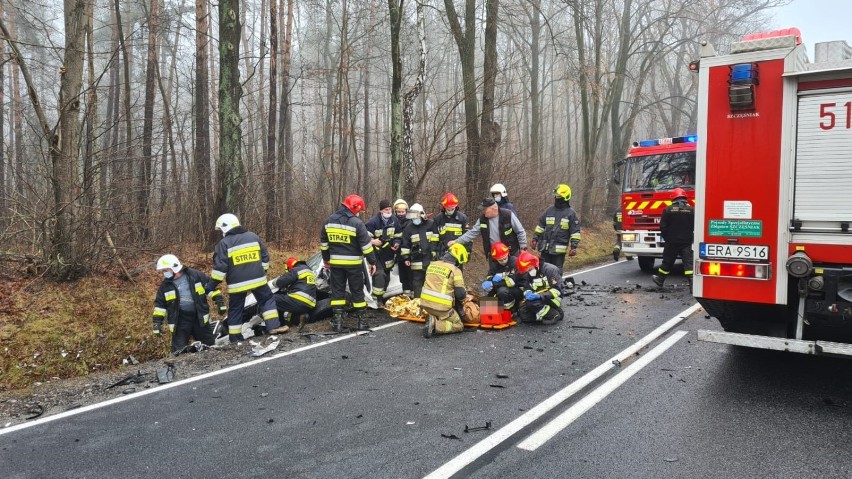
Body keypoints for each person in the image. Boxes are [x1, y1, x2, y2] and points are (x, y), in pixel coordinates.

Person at [207, 214, 287, 343]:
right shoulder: (253, 237)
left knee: (236, 309)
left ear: (225, 227)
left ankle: (235, 337)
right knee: (267, 300)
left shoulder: (224, 243)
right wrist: (263, 271)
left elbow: (220, 268)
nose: (221, 233)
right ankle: (273, 327)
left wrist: (211, 285)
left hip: (237, 285)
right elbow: (265, 256)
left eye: (221, 229)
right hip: (258, 280)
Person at [321, 194, 377, 331]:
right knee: (357, 291)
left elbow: (324, 244)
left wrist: (326, 260)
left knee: (337, 292)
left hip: (336, 265)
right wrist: (372, 262)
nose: (359, 213)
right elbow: (366, 246)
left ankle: (338, 323)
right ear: (354, 207)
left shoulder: (328, 221)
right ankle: (362, 322)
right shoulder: (357, 223)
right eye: (359, 210)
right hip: (353, 265)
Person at [153, 254, 224, 353]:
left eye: (166, 270)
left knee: (210, 348)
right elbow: (160, 306)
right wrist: (157, 323)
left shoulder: (195, 275)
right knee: (178, 352)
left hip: (199, 318)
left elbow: (210, 288)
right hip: (180, 321)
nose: (164, 273)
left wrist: (219, 301)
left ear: (175, 267)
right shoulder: (165, 286)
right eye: (163, 271)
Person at [450, 197, 527, 266]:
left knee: (514, 275)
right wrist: (457, 241)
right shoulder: (482, 219)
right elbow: (472, 233)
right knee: (494, 276)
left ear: (494, 209)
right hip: (493, 254)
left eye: (485, 209)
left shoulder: (508, 215)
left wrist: (523, 248)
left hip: (511, 252)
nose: (483, 211)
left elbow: (520, 231)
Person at [531, 184, 581, 276]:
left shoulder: (571, 214)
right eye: (555, 196)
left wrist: (573, 247)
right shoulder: (549, 210)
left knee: (556, 273)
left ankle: (557, 288)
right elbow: (540, 226)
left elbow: (575, 232)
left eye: (558, 196)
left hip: (558, 252)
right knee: (542, 271)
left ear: (565, 197)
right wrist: (535, 239)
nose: (556, 198)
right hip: (545, 249)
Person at [421, 243, 469, 338]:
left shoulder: (432, 265)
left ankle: (432, 318)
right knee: (458, 325)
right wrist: (465, 295)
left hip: (425, 305)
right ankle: (436, 324)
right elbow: (460, 295)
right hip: (441, 308)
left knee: (440, 314)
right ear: (458, 259)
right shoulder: (455, 271)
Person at [652, 188, 695, 288]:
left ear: (673, 198)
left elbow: (663, 227)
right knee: (688, 263)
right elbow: (694, 225)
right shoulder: (691, 210)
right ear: (684, 197)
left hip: (672, 241)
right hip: (686, 241)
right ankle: (692, 286)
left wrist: (667, 238)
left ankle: (660, 280)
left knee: (667, 261)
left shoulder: (668, 209)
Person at [365, 199, 402, 304]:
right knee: (380, 275)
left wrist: (396, 243)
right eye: (386, 209)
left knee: (386, 278)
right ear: (381, 211)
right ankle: (377, 299)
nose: (389, 211)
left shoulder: (394, 220)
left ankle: (381, 296)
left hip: (389, 253)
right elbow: (363, 237)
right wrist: (372, 241)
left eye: (390, 209)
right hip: (376, 254)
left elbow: (398, 234)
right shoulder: (373, 222)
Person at [400, 203, 440, 297]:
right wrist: (406, 258)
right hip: (416, 260)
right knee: (417, 282)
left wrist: (434, 251)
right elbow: (405, 244)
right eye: (412, 217)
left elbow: (436, 239)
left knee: (431, 282)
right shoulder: (409, 228)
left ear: (422, 214)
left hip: (430, 260)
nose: (414, 219)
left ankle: (430, 304)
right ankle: (418, 304)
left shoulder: (431, 224)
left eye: (416, 216)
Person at [515, 251, 564, 325]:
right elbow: (526, 287)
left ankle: (554, 315)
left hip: (553, 298)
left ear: (534, 263)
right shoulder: (528, 274)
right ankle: (550, 313)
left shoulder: (550, 270)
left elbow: (558, 290)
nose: (528, 272)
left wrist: (539, 296)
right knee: (524, 316)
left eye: (529, 269)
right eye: (526, 270)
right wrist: (527, 292)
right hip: (539, 300)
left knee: (532, 303)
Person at [271, 256, 317, 327]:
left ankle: (276, 326)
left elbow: (279, 283)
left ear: (290, 267)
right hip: (310, 304)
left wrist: (276, 280)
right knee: (288, 315)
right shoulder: (310, 271)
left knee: (272, 299)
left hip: (299, 299)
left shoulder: (296, 270)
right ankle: (301, 317)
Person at [480, 242, 522, 315]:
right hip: (501, 288)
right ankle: (492, 314)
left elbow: (511, 282)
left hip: (517, 290)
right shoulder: (494, 264)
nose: (503, 261)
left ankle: (511, 310)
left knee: (502, 291)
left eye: (504, 259)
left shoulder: (514, 261)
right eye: (500, 260)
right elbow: (489, 276)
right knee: (487, 299)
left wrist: (493, 283)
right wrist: (490, 280)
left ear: (508, 254)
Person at [433, 192, 469, 259]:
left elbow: (467, 237)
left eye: (452, 208)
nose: (450, 210)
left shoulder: (462, 218)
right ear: (444, 207)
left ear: (456, 206)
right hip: (441, 251)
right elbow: (434, 237)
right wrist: (433, 251)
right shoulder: (438, 218)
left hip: (457, 251)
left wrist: (467, 252)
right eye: (448, 208)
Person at [393, 198, 414, 295]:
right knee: (402, 277)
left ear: (406, 211)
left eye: (402, 212)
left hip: (410, 254)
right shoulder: (392, 222)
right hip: (397, 255)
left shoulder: (411, 222)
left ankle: (413, 296)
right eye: (398, 212)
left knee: (411, 276)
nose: (401, 214)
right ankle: (406, 295)